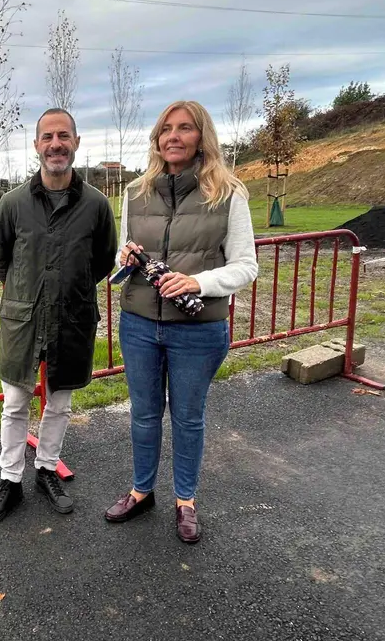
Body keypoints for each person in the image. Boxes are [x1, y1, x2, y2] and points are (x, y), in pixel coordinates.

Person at [104, 100, 258, 543]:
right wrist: (127, 259)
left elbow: (246, 266)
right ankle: (141, 490)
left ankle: (185, 500)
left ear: (201, 137)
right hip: (138, 324)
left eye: (184, 128)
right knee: (144, 415)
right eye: (166, 129)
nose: (173, 136)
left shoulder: (229, 194)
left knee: (188, 418)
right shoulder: (134, 192)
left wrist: (198, 281)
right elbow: (122, 253)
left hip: (197, 329)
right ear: (156, 139)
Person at [0, 108, 117, 526]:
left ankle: (47, 470)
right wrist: (28, 294)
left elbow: (103, 261)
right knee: (15, 402)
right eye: (47, 137)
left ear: (76, 142)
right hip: (23, 320)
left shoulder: (96, 205)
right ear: (37, 145)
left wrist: (66, 292)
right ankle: (10, 480)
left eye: (63, 136)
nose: (55, 144)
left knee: (59, 401)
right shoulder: (13, 203)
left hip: (72, 318)